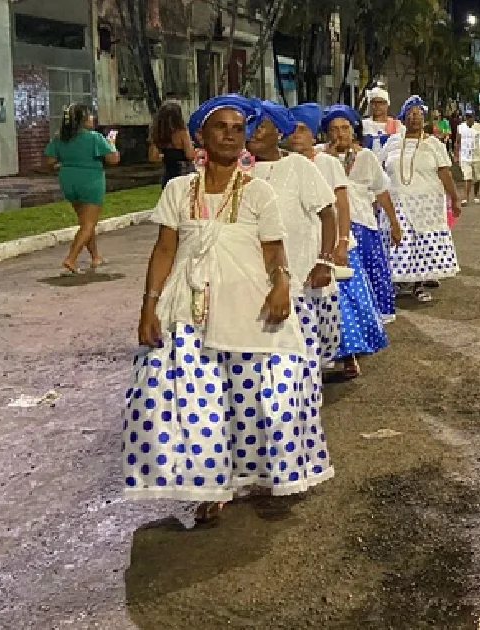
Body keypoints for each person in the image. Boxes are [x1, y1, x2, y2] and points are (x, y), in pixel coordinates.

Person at [124, 94, 332, 524]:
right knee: (197, 402)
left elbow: (274, 251)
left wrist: (281, 285)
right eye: (221, 127)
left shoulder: (260, 192)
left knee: (252, 401)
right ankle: (210, 487)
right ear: (201, 135)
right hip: (188, 308)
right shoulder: (178, 190)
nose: (231, 135)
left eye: (238, 128)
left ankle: (248, 475)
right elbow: (165, 249)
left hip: (248, 308)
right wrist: (149, 306)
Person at [247, 100, 341, 383]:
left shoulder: (298, 166)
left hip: (297, 274)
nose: (254, 134)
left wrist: (325, 260)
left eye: (260, 126)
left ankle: (301, 406)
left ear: (278, 131)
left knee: (297, 354)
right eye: (249, 127)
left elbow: (328, 214)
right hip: (250, 277)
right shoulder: (238, 171)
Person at [323, 104, 399, 378]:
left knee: (365, 286)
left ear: (354, 130)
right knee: (346, 290)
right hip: (333, 229)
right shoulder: (320, 158)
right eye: (333, 129)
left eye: (344, 128)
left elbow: (381, 192)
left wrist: (394, 223)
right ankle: (348, 346)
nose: (339, 134)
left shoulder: (367, 157)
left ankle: (365, 335)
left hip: (364, 227)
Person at [288, 102, 353, 368]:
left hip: (321, 240)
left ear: (313, 133)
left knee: (324, 302)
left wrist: (342, 241)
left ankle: (331, 358)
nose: (296, 135)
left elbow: (340, 205)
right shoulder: (282, 163)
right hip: (294, 243)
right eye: (292, 130)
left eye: (302, 130)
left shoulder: (326, 163)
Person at [385, 95, 463, 303]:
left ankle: (419, 285)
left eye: (419, 114)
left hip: (427, 204)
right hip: (398, 200)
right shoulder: (392, 143)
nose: (415, 118)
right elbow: (380, 170)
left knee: (422, 244)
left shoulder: (434, 144)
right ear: (403, 118)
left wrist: (454, 198)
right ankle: (399, 282)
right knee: (399, 241)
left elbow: (445, 173)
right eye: (411, 114)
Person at [45, 103, 120, 275]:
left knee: (85, 222)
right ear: (83, 120)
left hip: (68, 180)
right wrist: (112, 143)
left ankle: (95, 256)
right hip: (90, 180)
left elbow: (49, 161)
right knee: (88, 224)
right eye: (90, 115)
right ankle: (71, 259)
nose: (93, 118)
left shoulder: (59, 138)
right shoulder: (94, 137)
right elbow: (113, 159)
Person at [149, 101, 196, 187]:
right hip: (183, 173)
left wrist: (166, 156)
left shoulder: (157, 134)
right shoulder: (182, 133)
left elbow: (153, 158)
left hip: (168, 174)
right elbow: (190, 155)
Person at [362, 86, 402, 163]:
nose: (377, 106)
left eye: (381, 103)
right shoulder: (364, 125)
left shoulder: (396, 125)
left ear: (387, 104)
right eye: (374, 103)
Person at [456, 111, 480, 205]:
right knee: (467, 177)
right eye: (468, 118)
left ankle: (476, 195)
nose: (470, 119)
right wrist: (456, 154)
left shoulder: (479, 127)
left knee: (477, 178)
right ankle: (466, 198)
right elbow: (457, 141)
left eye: (471, 117)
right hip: (465, 156)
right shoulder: (460, 127)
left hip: (477, 156)